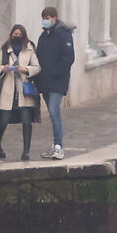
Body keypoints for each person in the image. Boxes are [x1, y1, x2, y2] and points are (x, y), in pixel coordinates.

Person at [0, 25, 41, 160]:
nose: (16, 36)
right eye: (14, 34)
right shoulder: (5, 49)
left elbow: (37, 67)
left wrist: (25, 69)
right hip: (8, 89)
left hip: (25, 89)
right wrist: (4, 68)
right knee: (4, 119)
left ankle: (26, 151)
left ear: (24, 35)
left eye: (19, 34)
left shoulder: (29, 49)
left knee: (26, 120)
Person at [33, 8, 76, 161]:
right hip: (44, 81)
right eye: (44, 17)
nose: (46, 20)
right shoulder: (43, 36)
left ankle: (58, 146)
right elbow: (39, 57)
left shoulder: (64, 35)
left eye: (49, 17)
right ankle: (55, 145)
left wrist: (56, 73)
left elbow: (68, 58)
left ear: (55, 18)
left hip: (58, 81)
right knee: (52, 113)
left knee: (54, 110)